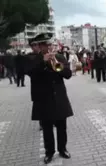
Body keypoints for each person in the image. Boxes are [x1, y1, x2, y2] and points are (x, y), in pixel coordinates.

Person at [24, 33, 73, 164]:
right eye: (46, 44)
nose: (49, 46)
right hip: (43, 99)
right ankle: (49, 152)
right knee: (47, 129)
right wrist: (43, 62)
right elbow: (30, 74)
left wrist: (58, 67)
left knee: (62, 127)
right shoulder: (33, 59)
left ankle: (62, 149)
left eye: (50, 44)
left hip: (59, 97)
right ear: (40, 46)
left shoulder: (60, 57)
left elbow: (68, 74)